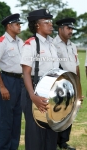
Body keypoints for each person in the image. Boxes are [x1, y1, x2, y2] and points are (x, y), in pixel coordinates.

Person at [20, 9, 59, 150]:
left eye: (51, 21)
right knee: (35, 136)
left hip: (51, 93)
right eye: (46, 22)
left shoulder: (52, 45)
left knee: (51, 134)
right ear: (37, 25)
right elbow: (26, 72)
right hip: (34, 91)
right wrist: (32, 96)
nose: (51, 24)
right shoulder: (30, 44)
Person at [0, 13, 24, 150]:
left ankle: (13, 147)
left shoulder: (20, 42)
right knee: (6, 119)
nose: (20, 26)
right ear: (9, 26)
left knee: (16, 119)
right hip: (7, 81)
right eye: (17, 24)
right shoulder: (2, 42)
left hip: (20, 82)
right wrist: (2, 86)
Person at [53, 17, 80, 150]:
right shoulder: (53, 44)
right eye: (68, 28)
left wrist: (78, 86)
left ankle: (63, 142)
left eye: (72, 29)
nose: (71, 31)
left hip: (72, 83)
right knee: (57, 113)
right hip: (59, 83)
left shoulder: (73, 46)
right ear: (60, 29)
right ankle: (54, 142)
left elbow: (76, 67)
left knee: (69, 113)